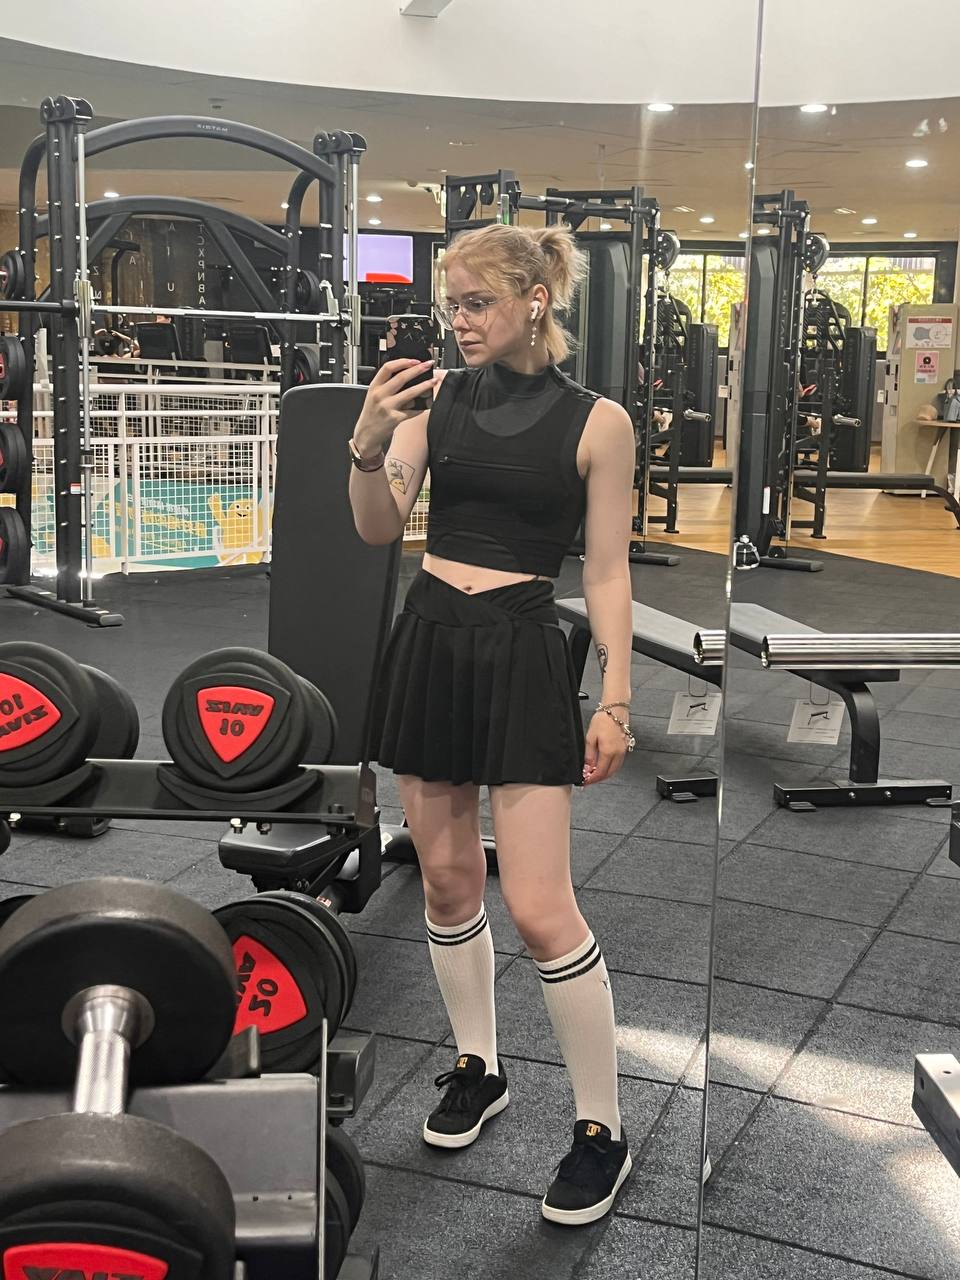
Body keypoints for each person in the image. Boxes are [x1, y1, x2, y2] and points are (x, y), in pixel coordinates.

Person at [347, 222, 636, 1226]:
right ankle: (480, 1064)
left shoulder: (599, 422)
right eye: (451, 306)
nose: (459, 322)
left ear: (534, 299)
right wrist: (367, 441)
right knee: (445, 878)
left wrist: (616, 697)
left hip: (520, 647)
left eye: (477, 302)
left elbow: (607, 572)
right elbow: (376, 524)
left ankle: (601, 1127)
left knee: (542, 908)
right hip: (430, 635)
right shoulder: (436, 401)